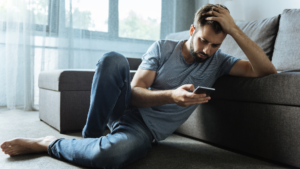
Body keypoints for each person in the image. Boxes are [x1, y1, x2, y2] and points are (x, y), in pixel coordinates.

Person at [0, 4, 276, 169]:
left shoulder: (220, 62)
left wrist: (236, 30)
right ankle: (91, 135)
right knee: (112, 59)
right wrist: (171, 96)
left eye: (215, 44)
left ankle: (47, 143)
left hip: (144, 130)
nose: (207, 49)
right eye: (203, 40)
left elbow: (266, 70)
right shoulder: (163, 48)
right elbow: (132, 95)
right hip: (122, 108)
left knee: (111, 155)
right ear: (193, 31)